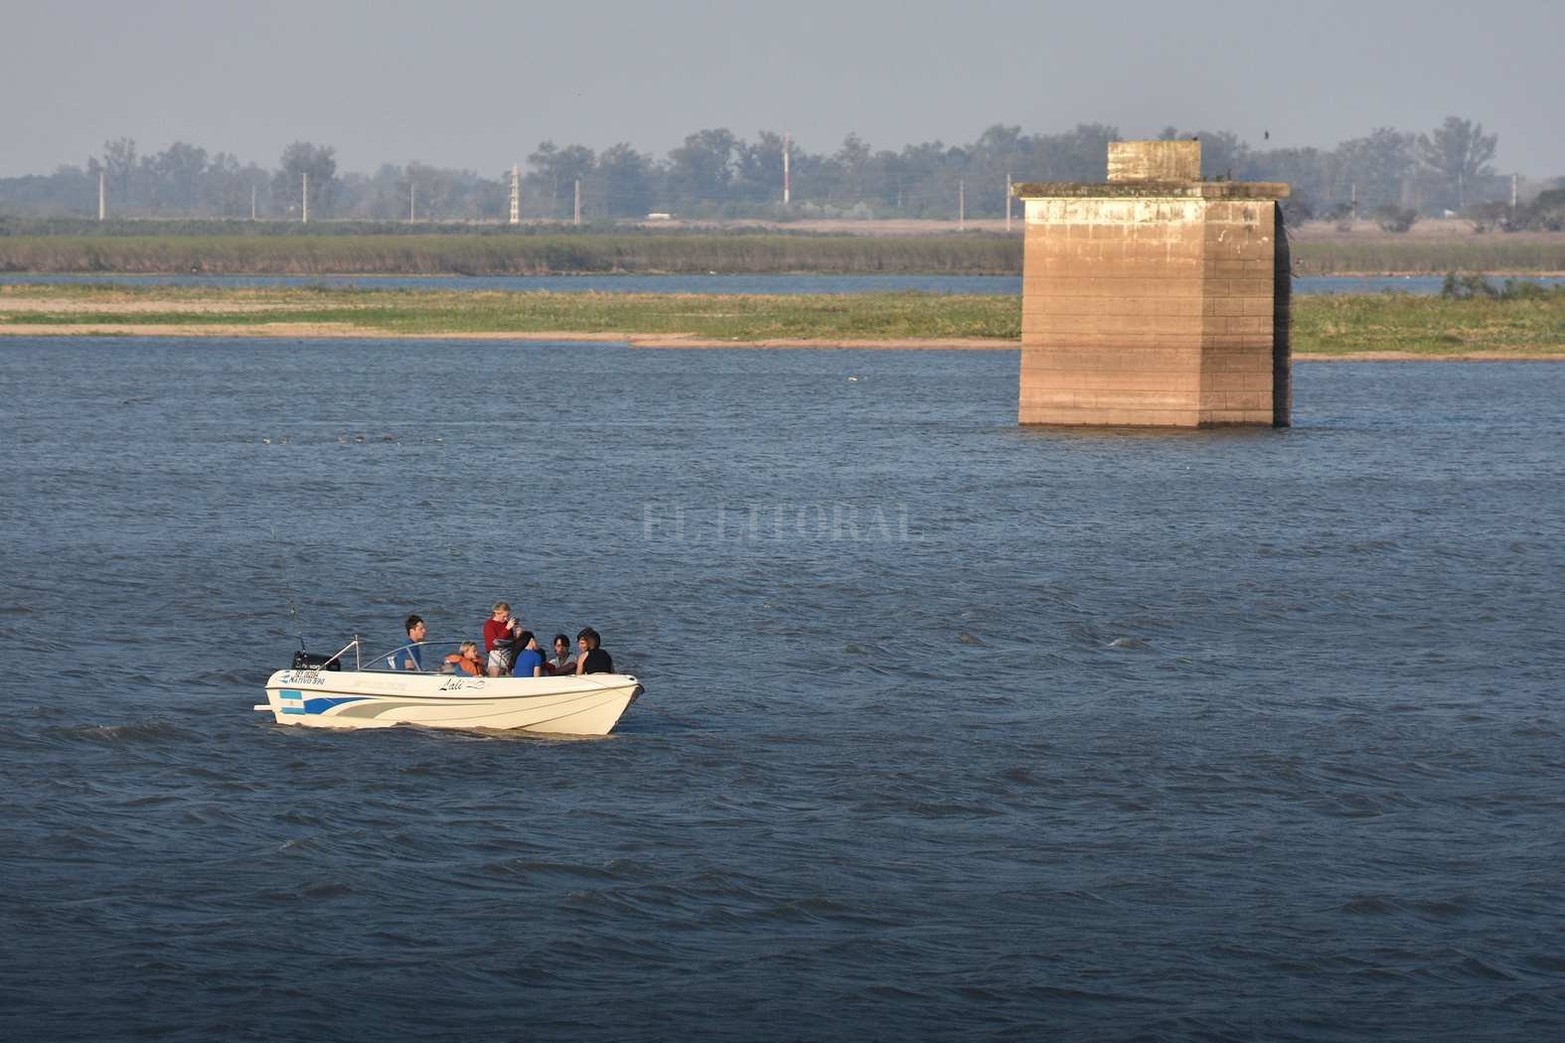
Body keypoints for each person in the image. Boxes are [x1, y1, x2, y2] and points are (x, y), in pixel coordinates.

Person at [483, 601, 522, 677]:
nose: (506, 618)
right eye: (504, 616)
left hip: (508, 654)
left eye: (507, 616)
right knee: (495, 678)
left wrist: (518, 635)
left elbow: (512, 641)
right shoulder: (489, 624)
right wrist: (507, 628)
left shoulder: (506, 624)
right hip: (496, 654)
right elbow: (493, 644)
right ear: (497, 614)